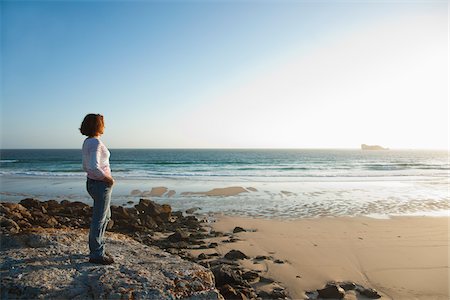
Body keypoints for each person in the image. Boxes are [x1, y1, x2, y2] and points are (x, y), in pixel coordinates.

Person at [80, 113, 115, 265]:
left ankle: (99, 247)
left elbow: (85, 166)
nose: (104, 126)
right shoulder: (94, 143)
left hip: (94, 183)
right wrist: (108, 179)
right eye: (102, 123)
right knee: (99, 220)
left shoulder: (88, 142)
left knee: (106, 216)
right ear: (97, 125)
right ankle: (96, 254)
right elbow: (93, 167)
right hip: (100, 184)